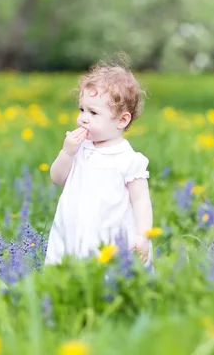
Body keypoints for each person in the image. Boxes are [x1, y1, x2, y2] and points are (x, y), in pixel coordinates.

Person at [44, 58, 154, 269]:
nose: (83, 118)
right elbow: (57, 179)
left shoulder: (128, 160)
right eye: (82, 109)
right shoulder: (79, 149)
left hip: (111, 236)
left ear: (122, 120)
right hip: (72, 232)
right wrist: (67, 152)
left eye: (93, 113)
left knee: (107, 279)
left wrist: (143, 236)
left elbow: (141, 201)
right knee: (68, 273)